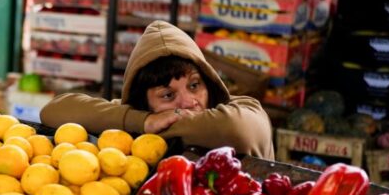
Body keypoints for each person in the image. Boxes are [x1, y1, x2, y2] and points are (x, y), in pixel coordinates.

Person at [40, 21, 275, 159]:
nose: (189, 102)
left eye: (194, 85)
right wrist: (143, 121)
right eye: (168, 95)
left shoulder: (245, 108)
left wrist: (146, 129)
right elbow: (53, 111)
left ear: (209, 81)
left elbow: (235, 130)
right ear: (144, 103)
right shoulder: (140, 115)